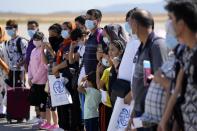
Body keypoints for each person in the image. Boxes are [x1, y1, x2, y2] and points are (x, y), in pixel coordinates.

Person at [158, 1, 197, 131]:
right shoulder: (186, 51)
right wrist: (165, 119)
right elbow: (178, 86)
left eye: (171, 19)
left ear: (181, 24)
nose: (168, 24)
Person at [128, 9, 168, 131]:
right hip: (140, 111)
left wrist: (164, 119)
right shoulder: (142, 46)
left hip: (152, 114)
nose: (129, 27)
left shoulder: (156, 45)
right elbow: (141, 80)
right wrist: (133, 114)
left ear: (136, 24)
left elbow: (163, 83)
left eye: (130, 23)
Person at [97, 40, 125, 131]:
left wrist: (117, 67)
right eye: (109, 50)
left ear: (120, 52)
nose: (110, 52)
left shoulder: (122, 66)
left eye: (113, 50)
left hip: (121, 104)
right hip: (112, 103)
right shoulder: (111, 67)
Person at [28, 31, 48, 128]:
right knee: (36, 101)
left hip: (41, 81)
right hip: (34, 81)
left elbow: (42, 68)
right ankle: (39, 118)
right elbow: (30, 65)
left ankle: (44, 121)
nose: (35, 41)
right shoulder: (33, 50)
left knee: (42, 102)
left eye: (38, 39)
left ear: (42, 40)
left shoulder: (43, 51)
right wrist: (29, 77)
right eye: (34, 39)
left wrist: (34, 79)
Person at [5, 19, 28, 87]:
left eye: (10, 28)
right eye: (7, 28)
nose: (8, 30)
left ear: (16, 29)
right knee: (12, 93)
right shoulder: (9, 42)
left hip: (20, 72)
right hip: (12, 72)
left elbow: (27, 56)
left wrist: (20, 66)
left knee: (20, 92)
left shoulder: (21, 41)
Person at [25, 20, 40, 124]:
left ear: (37, 28)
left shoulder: (39, 41)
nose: (30, 30)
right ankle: (36, 115)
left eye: (32, 28)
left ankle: (40, 116)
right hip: (31, 72)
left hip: (39, 74)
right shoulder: (30, 41)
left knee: (39, 96)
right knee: (34, 95)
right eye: (28, 28)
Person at [83, 9, 106, 76]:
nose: (87, 21)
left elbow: (103, 57)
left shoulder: (101, 35)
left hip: (96, 77)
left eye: (90, 19)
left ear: (98, 20)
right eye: (86, 19)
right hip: (88, 76)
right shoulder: (90, 36)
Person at [0, 25, 8, 117]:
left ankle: (4, 110)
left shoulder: (6, 43)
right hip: (4, 70)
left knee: (5, 91)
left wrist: (7, 69)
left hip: (4, 72)